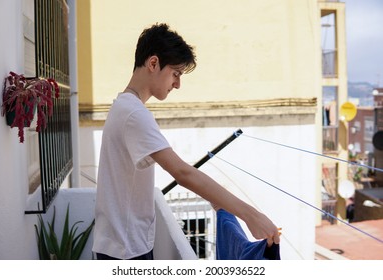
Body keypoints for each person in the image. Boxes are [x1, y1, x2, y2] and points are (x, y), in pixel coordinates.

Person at [92, 23, 280, 260]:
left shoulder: (123, 106)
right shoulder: (134, 114)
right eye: (176, 74)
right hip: (125, 251)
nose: (178, 84)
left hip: (119, 245)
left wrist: (217, 200)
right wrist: (250, 215)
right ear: (153, 63)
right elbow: (183, 173)